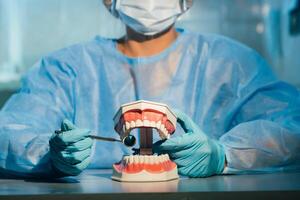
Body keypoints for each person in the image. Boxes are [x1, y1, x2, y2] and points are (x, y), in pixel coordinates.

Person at [0, 0, 300, 178]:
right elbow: (8, 132)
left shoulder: (232, 63)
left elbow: (291, 127)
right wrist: (48, 154)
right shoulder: (66, 68)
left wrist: (225, 155)